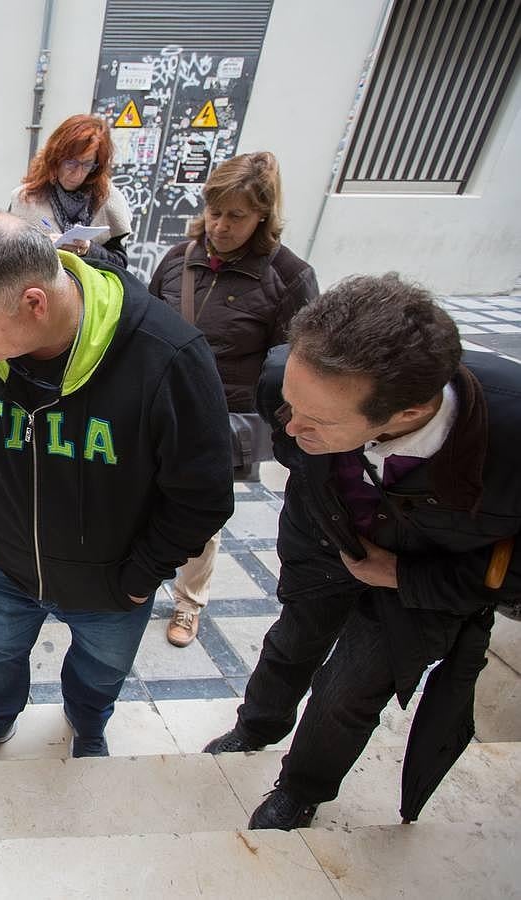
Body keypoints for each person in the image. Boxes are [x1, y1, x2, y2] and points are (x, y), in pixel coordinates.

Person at [201, 274, 521, 830]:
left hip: (426, 578)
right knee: (291, 642)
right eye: (290, 405)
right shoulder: (289, 375)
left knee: (350, 689)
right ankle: (257, 725)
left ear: (407, 414)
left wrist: (402, 575)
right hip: (324, 541)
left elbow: (513, 578)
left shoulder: (512, 438)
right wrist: (313, 435)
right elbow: (296, 446)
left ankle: (302, 789)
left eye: (318, 421)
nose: (292, 427)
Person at [0, 213, 233, 759]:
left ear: (34, 303)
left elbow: (203, 495)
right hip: (5, 564)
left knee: (100, 669)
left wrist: (140, 577)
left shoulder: (168, 355)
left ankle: (88, 725)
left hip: (113, 581)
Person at [149, 151, 319, 647]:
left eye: (236, 216)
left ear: (262, 215)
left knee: (202, 510)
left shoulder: (288, 276)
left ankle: (188, 601)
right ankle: (132, 577)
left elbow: (297, 366)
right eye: (214, 211)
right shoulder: (179, 259)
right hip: (158, 408)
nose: (220, 226)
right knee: (142, 492)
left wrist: (281, 429)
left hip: (228, 417)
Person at [7, 114, 132, 267]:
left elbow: (120, 263)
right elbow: (6, 254)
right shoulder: (25, 198)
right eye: (71, 163)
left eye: (87, 165)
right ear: (55, 158)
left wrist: (88, 249)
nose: (78, 174)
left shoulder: (108, 199)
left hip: (87, 288)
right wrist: (42, 246)